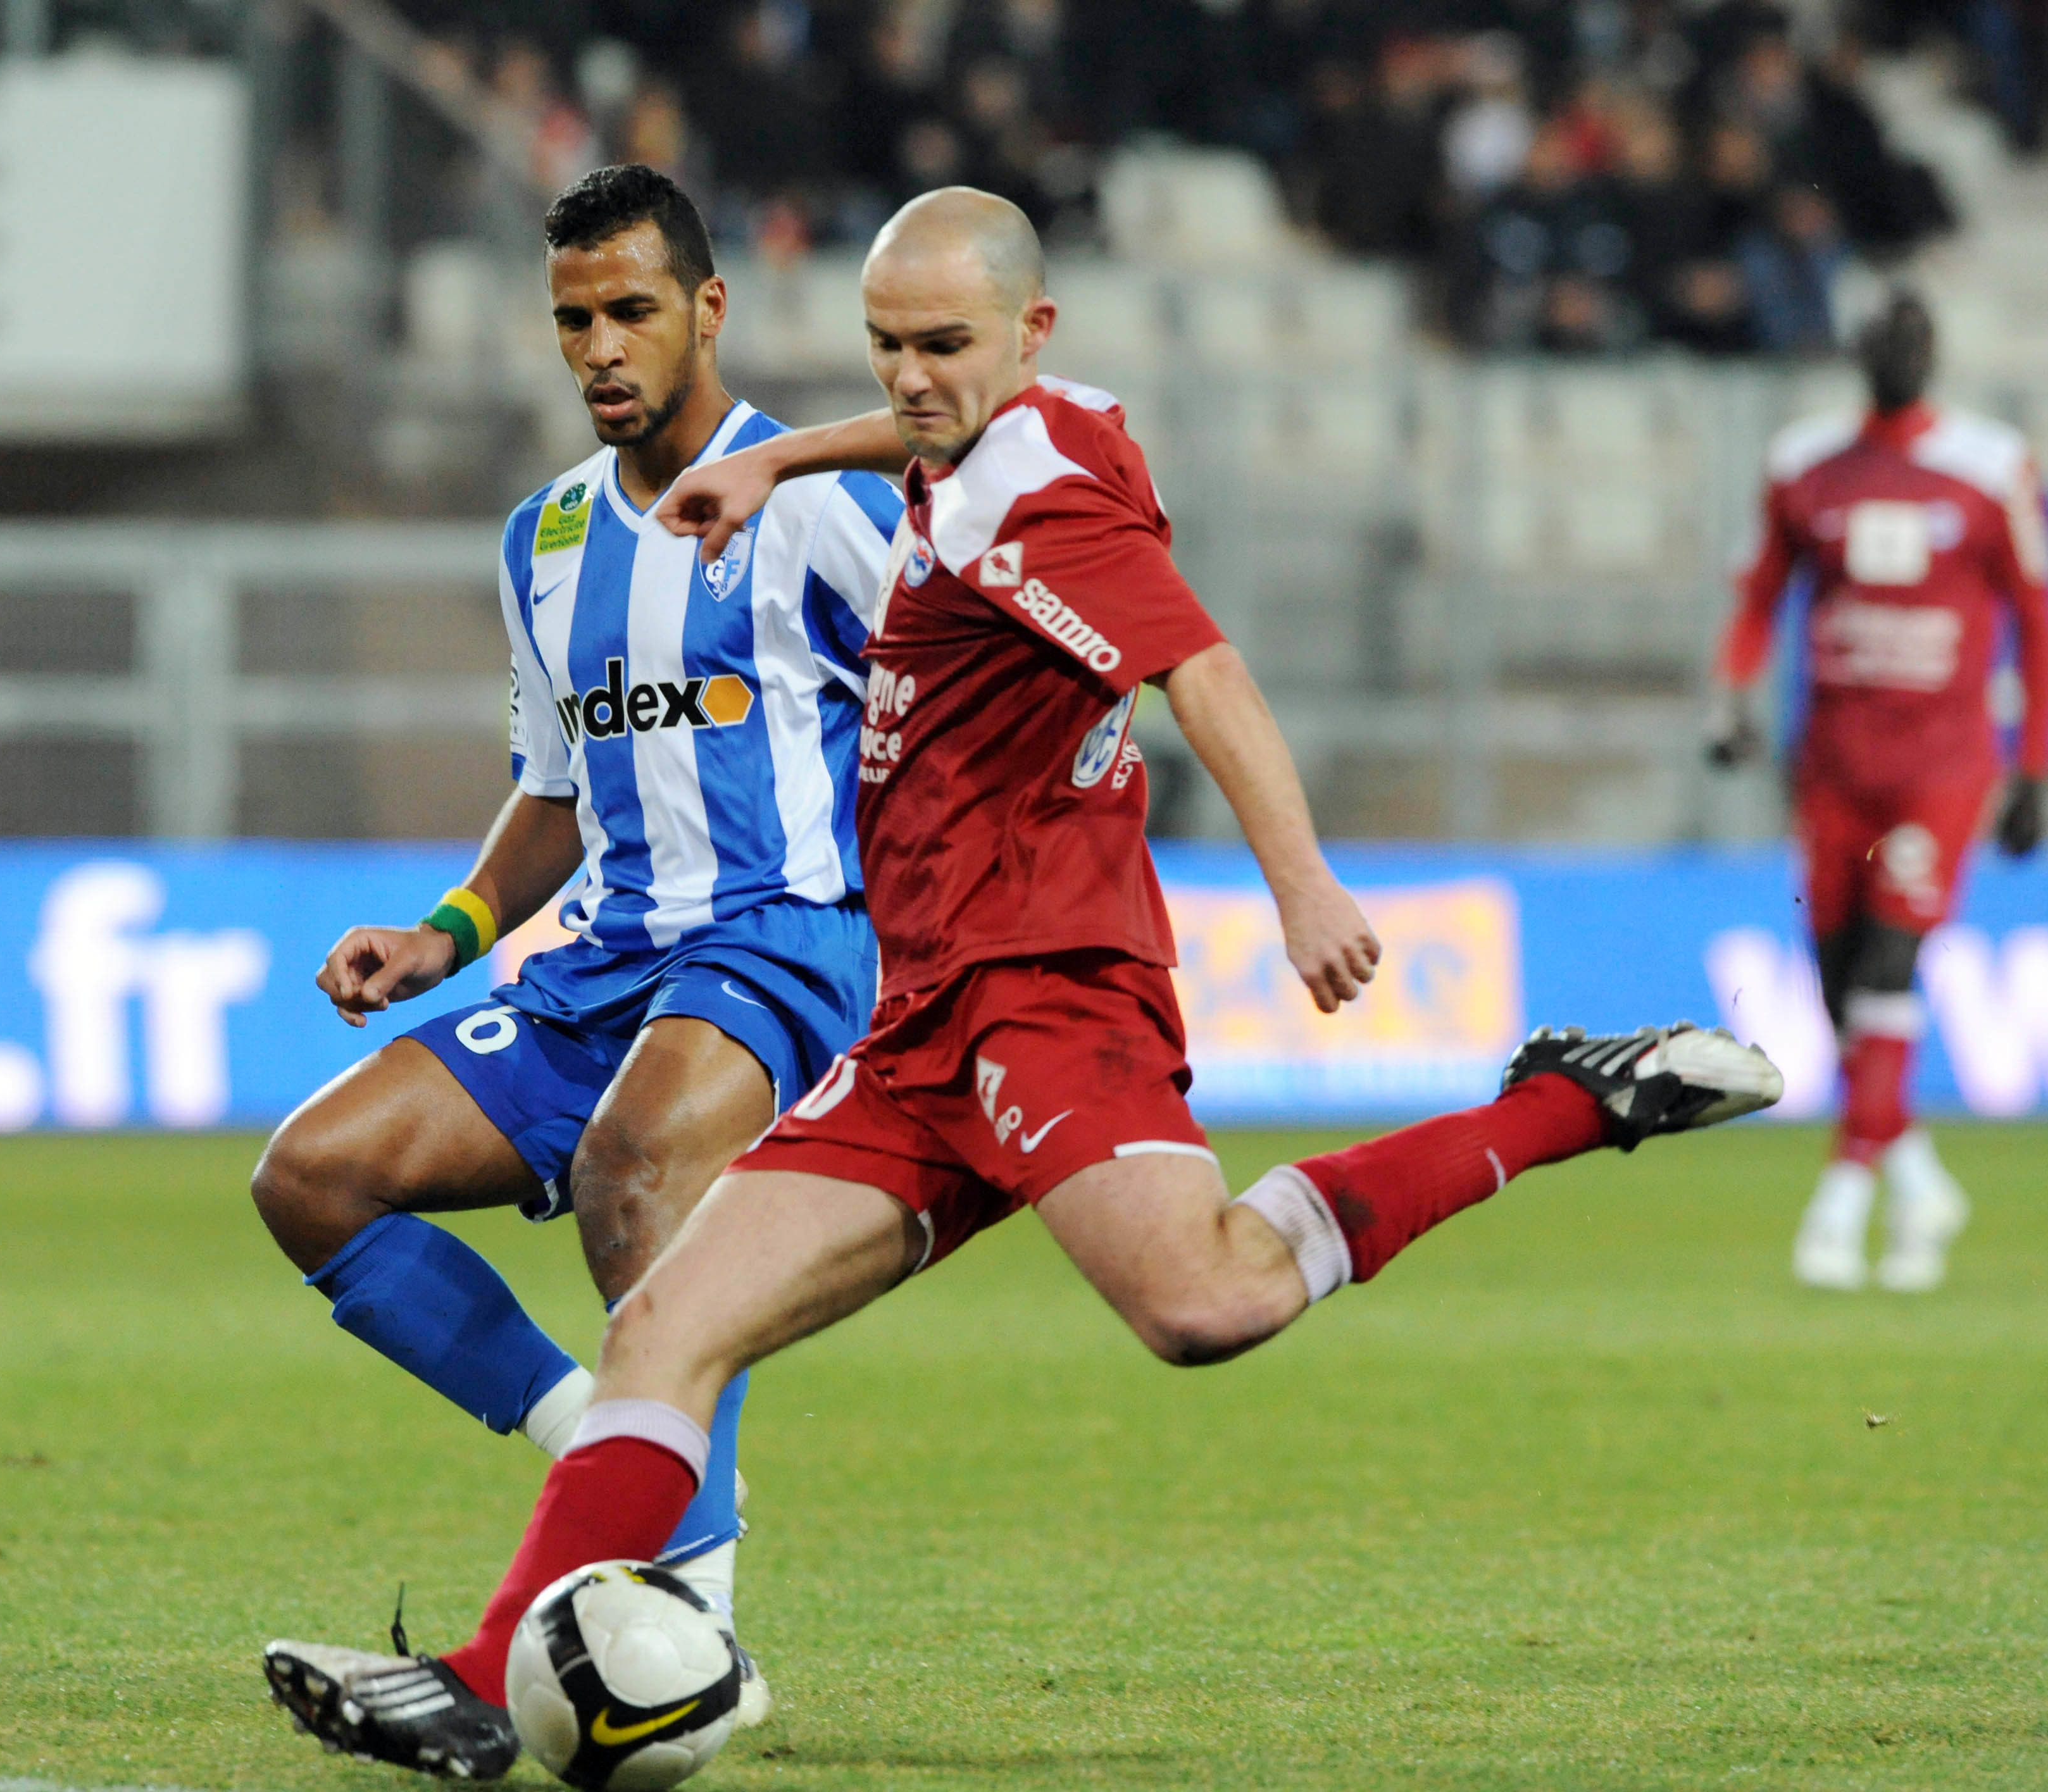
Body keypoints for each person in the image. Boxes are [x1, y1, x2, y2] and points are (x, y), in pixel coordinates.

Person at [294, 185, 1785, 1781]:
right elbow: (932, 431)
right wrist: (783, 459)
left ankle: (1559, 1105)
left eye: (941, 345)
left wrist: (1301, 885)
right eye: (885, 344)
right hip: (920, 1017)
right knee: (663, 1327)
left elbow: (1200, 669)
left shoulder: (1047, 501)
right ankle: (477, 1685)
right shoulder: (994, 433)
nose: (909, 378)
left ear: (1032, 331)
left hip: (1045, 992)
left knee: (1202, 1305)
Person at [251, 163, 904, 1764]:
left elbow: (950, 711)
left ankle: (694, 1601)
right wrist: (450, 933)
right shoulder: (543, 538)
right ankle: (607, 1444)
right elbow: (554, 787)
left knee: (634, 1169)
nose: (600, 347)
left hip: (782, 939)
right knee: (312, 1178)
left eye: (630, 310)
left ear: (707, 309)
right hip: (601, 962)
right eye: (572, 321)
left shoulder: (818, 503)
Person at [1706, 289, 2048, 1294]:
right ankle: (1917, 1179)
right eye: (1883, 337)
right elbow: (1756, 599)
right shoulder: (1803, 464)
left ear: (1933, 352)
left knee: (1891, 967)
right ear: (1858, 351)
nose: (1899, 351)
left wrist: (2035, 766)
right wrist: (1731, 700)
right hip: (1832, 772)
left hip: (1940, 770)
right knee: (1840, 990)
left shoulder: (1993, 466)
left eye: (1914, 337)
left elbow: (2039, 620)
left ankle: (1841, 1201)